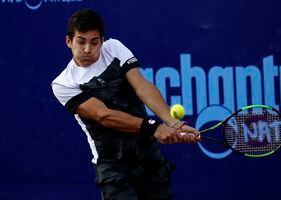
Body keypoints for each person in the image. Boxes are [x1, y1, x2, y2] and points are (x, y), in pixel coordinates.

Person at [51, 8, 200, 200]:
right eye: (81, 41)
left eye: (94, 42)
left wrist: (173, 123)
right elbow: (103, 115)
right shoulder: (63, 83)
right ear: (68, 42)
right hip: (112, 166)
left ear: (102, 41)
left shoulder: (114, 48)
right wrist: (153, 127)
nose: (88, 49)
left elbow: (142, 86)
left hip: (148, 157)